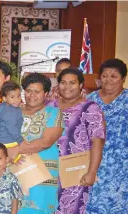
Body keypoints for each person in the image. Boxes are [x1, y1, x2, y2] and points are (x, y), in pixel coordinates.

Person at [47, 68, 106, 214]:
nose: (67, 87)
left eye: (72, 83)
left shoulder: (90, 108)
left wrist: (92, 172)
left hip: (75, 174)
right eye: (63, 82)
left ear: (80, 85)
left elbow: (97, 142)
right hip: (48, 171)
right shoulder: (49, 106)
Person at [5, 73, 64, 213]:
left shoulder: (54, 113)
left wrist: (17, 149)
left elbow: (46, 142)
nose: (32, 95)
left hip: (41, 175)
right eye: (28, 91)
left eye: (37, 91)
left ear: (46, 94)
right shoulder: (13, 111)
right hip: (13, 170)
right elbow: (0, 136)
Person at [86, 58, 128, 213]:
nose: (108, 80)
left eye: (114, 76)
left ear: (123, 78)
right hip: (93, 164)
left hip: (123, 167)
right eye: (105, 76)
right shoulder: (89, 100)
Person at [0, 81, 23, 146]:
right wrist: (20, 140)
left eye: (18, 96)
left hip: (0, 140)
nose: (17, 99)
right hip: (10, 142)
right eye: (12, 97)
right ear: (4, 98)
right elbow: (12, 128)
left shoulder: (2, 106)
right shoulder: (11, 112)